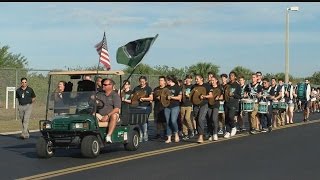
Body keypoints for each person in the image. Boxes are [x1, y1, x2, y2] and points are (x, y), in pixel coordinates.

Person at [95, 78, 121, 143]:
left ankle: (108, 136)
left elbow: (117, 109)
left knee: (114, 116)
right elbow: (93, 104)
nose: (103, 85)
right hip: (101, 115)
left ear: (110, 85)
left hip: (111, 115)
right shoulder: (99, 94)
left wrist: (107, 115)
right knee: (91, 116)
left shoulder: (115, 95)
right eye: (102, 84)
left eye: (105, 85)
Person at [131, 76, 153, 142]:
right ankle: (140, 134)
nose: (142, 83)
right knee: (138, 121)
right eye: (140, 81)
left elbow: (151, 98)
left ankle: (145, 133)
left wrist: (144, 99)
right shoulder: (136, 88)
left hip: (146, 106)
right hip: (137, 106)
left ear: (145, 81)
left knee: (144, 120)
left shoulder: (148, 88)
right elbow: (132, 97)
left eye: (143, 81)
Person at [164, 75, 182, 143]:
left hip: (175, 106)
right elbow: (163, 95)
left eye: (166, 81)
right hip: (167, 107)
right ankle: (169, 137)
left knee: (173, 121)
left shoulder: (177, 87)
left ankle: (176, 133)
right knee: (168, 121)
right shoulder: (166, 88)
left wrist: (171, 97)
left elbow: (179, 98)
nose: (166, 82)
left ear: (170, 80)